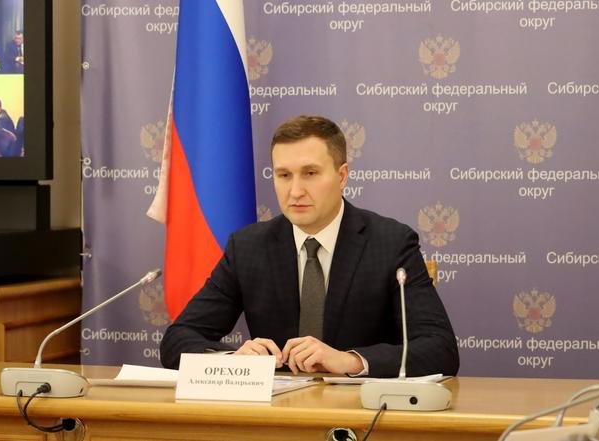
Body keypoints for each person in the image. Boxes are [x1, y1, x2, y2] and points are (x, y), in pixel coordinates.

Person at [160, 115, 459, 378]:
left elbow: (440, 349)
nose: (295, 191)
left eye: (310, 173)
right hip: (275, 414)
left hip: (361, 412)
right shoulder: (249, 247)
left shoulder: (390, 243)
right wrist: (233, 361)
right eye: (284, 175)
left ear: (342, 176)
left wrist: (350, 361)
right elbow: (178, 339)